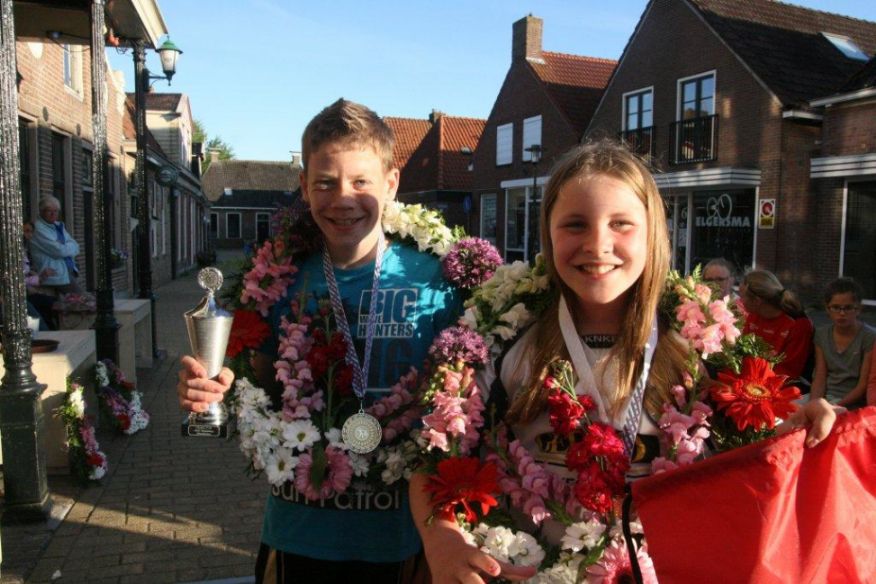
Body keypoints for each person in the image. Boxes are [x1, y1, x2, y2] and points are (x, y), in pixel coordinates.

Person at [409, 141, 837, 583]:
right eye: (575, 224)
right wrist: (443, 538)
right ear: (547, 233)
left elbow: (750, 454)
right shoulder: (505, 339)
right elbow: (432, 459)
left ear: (653, 234)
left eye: (621, 224)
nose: (598, 244)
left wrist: (801, 426)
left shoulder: (699, 345)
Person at [178, 99, 460, 583]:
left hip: (404, 534)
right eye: (325, 183)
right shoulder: (275, 281)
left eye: (361, 182)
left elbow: (466, 400)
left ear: (391, 184)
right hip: (301, 531)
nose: (343, 199)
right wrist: (211, 390)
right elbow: (252, 384)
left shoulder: (437, 280)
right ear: (304, 186)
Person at [810, 278, 875, 409]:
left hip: (852, 402)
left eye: (848, 308)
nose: (842, 313)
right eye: (835, 307)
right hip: (826, 398)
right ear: (827, 308)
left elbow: (863, 385)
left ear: (858, 309)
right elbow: (820, 378)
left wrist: (835, 407)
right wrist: (814, 405)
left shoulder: (869, 337)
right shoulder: (822, 335)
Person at [739, 270, 813, 380]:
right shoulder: (754, 315)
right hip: (751, 379)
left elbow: (789, 372)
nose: (740, 300)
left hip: (782, 384)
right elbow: (743, 354)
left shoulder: (798, 325)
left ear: (756, 301)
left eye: (742, 296)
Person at [29, 195, 81, 294]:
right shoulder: (38, 228)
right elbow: (59, 251)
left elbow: (76, 246)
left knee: (72, 301)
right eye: (49, 211)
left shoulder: (58, 226)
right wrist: (66, 246)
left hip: (67, 271)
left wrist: (65, 246)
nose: (53, 214)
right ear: (41, 211)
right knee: (84, 299)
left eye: (56, 211)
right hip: (54, 275)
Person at [23, 221, 58, 330]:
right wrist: (38, 278)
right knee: (38, 315)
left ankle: (47, 333)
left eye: (31, 232)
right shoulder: (14, 251)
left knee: (51, 304)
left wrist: (39, 276)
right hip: (19, 295)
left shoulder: (25, 249)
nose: (29, 235)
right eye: (26, 231)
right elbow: (15, 278)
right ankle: (39, 333)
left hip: (27, 291)